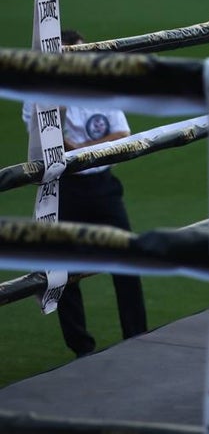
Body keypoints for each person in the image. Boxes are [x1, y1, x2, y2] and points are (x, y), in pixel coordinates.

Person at [21, 29, 148, 358]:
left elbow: (121, 135)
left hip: (103, 185)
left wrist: (79, 149)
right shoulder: (37, 94)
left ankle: (137, 338)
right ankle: (82, 349)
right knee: (66, 273)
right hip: (66, 188)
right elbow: (48, 145)